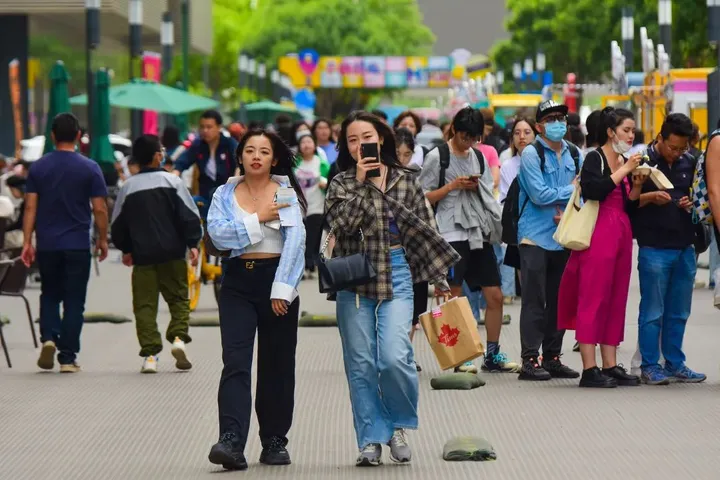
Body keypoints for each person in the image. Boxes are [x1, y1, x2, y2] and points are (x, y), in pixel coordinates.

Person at [326, 111, 458, 467]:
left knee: (395, 358)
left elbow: (426, 227)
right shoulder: (339, 182)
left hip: (398, 272)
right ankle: (370, 438)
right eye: (351, 140)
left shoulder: (406, 179)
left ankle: (397, 425)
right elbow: (343, 225)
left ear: (380, 139)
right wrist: (360, 182)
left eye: (365, 137)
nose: (359, 145)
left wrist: (440, 280)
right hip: (354, 278)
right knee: (361, 363)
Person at [206, 129, 306, 471]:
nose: (256, 156)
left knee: (277, 365)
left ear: (274, 158)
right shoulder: (224, 192)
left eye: (264, 151)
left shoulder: (286, 193)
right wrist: (260, 218)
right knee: (235, 361)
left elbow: (296, 242)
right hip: (236, 282)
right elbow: (218, 235)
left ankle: (274, 439)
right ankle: (230, 440)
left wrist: (282, 289)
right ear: (240, 156)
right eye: (249, 150)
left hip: (277, 278)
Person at [420, 107, 517, 374]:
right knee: (454, 297)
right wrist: (451, 187)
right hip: (449, 233)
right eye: (465, 137)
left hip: (478, 232)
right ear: (454, 129)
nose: (468, 143)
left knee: (494, 295)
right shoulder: (436, 157)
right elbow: (421, 197)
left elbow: (488, 189)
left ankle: (492, 354)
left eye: (474, 138)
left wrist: (475, 186)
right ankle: (461, 356)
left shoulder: (478, 156)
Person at [557, 107, 645, 388]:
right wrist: (625, 170)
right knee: (593, 297)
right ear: (611, 132)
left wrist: (638, 185)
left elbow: (629, 204)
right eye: (626, 130)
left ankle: (609, 363)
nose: (630, 136)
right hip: (598, 232)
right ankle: (589, 367)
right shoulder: (595, 157)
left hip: (620, 231)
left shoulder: (622, 159)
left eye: (632, 131)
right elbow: (594, 190)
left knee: (615, 297)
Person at [21, 113, 109, 373]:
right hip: (77, 244)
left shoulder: (38, 168)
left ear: (52, 136)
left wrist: (27, 240)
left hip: (47, 244)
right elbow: (100, 208)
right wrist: (103, 239)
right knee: (74, 301)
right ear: (79, 136)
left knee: (49, 293)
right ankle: (68, 357)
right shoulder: (90, 168)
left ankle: (49, 337)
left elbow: (29, 207)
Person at [111, 135, 202, 374]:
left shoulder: (128, 187)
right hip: (173, 253)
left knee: (144, 306)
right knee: (179, 299)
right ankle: (179, 339)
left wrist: (126, 248)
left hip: (143, 257)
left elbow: (117, 225)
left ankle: (150, 356)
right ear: (158, 156)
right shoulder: (173, 182)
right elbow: (189, 216)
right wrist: (193, 243)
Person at [631, 113, 706, 385]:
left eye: (682, 148)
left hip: (684, 247)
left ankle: (676, 362)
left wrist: (690, 205)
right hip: (654, 247)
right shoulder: (642, 163)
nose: (676, 153)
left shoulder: (692, 162)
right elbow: (628, 204)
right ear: (660, 138)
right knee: (652, 311)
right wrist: (650, 197)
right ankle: (650, 365)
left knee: (679, 311)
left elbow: (701, 200)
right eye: (672, 147)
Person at [516, 100, 582, 381]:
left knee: (559, 300)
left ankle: (552, 356)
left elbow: (584, 191)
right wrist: (571, 189)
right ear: (539, 126)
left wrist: (572, 193)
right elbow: (539, 195)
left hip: (563, 237)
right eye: (552, 119)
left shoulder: (575, 153)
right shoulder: (531, 154)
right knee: (534, 300)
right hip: (534, 237)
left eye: (562, 118)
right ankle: (530, 359)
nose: (558, 123)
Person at [395, 127, 426, 371]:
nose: (403, 159)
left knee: (416, 310)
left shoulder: (415, 178)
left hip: (414, 252)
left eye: (407, 154)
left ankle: (406, 354)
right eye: (398, 153)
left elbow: (426, 221)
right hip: (391, 253)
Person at [173, 109, 239, 219]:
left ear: (219, 127)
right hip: (205, 197)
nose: (205, 130)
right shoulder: (198, 145)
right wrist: (172, 177)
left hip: (228, 197)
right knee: (187, 205)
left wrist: (234, 182)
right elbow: (182, 163)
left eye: (209, 127)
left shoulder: (229, 143)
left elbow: (240, 164)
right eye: (202, 127)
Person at [294, 130, 329, 278]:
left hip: (317, 206)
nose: (306, 145)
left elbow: (329, 180)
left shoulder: (320, 162)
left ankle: (309, 264)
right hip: (300, 207)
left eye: (309, 142)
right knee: (300, 237)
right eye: (303, 142)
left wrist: (324, 183)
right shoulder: (296, 163)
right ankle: (305, 264)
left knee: (312, 236)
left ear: (314, 145)